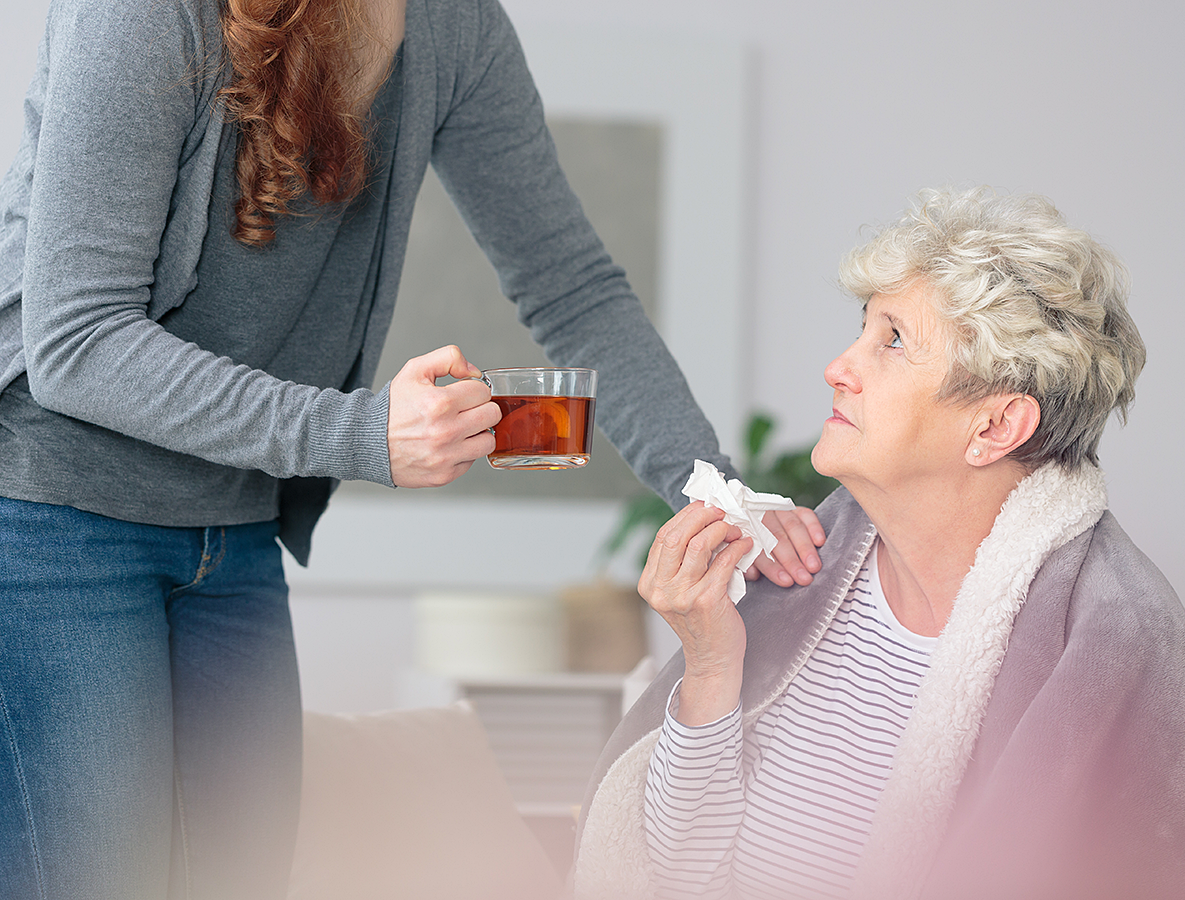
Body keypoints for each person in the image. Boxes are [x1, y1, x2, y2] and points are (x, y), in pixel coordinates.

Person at [0, 0, 825, 898]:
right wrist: (359, 434)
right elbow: (76, 343)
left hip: (231, 528)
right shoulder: (144, 14)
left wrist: (722, 494)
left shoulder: (455, 26)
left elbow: (574, 286)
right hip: (55, 520)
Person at [571, 187, 1185, 900]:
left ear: (995, 427)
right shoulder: (796, 572)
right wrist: (712, 664)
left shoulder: (1119, 641)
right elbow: (677, 879)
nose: (839, 366)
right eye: (864, 328)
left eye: (893, 339)